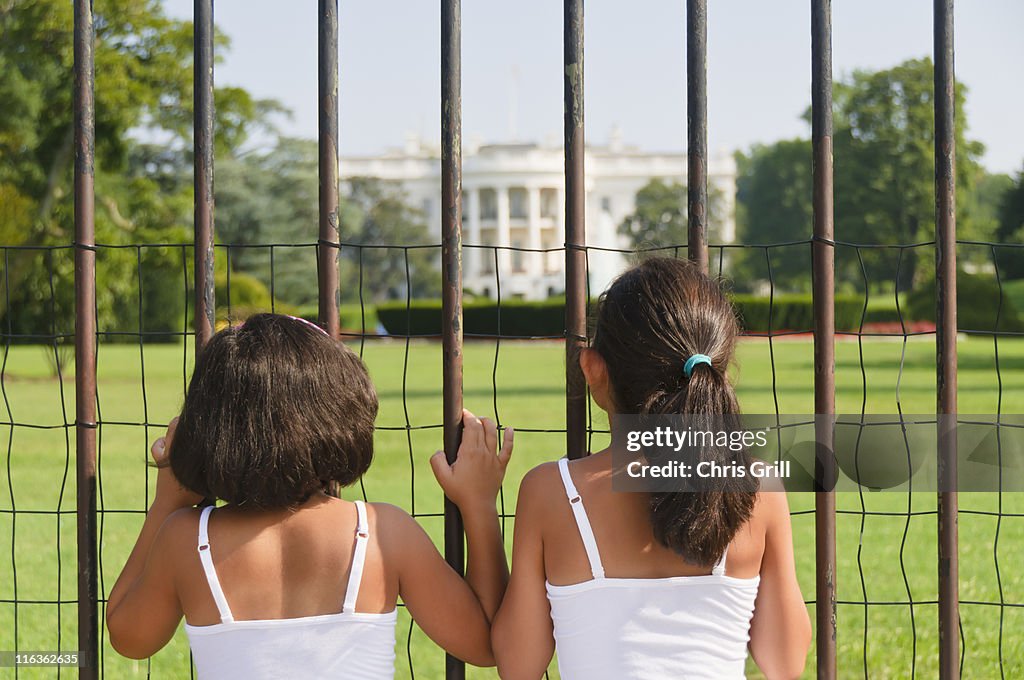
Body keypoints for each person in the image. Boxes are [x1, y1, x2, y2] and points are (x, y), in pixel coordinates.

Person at [106, 313, 513, 678]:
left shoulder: (185, 539)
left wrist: (167, 503)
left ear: (210, 430)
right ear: (339, 415)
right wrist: (478, 504)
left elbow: (129, 637)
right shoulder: (385, 532)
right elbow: (485, 644)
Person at [492, 257, 811, 679]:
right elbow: (785, 663)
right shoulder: (758, 490)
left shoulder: (551, 492)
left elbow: (519, 666)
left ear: (592, 369)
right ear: (720, 369)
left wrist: (480, 510)